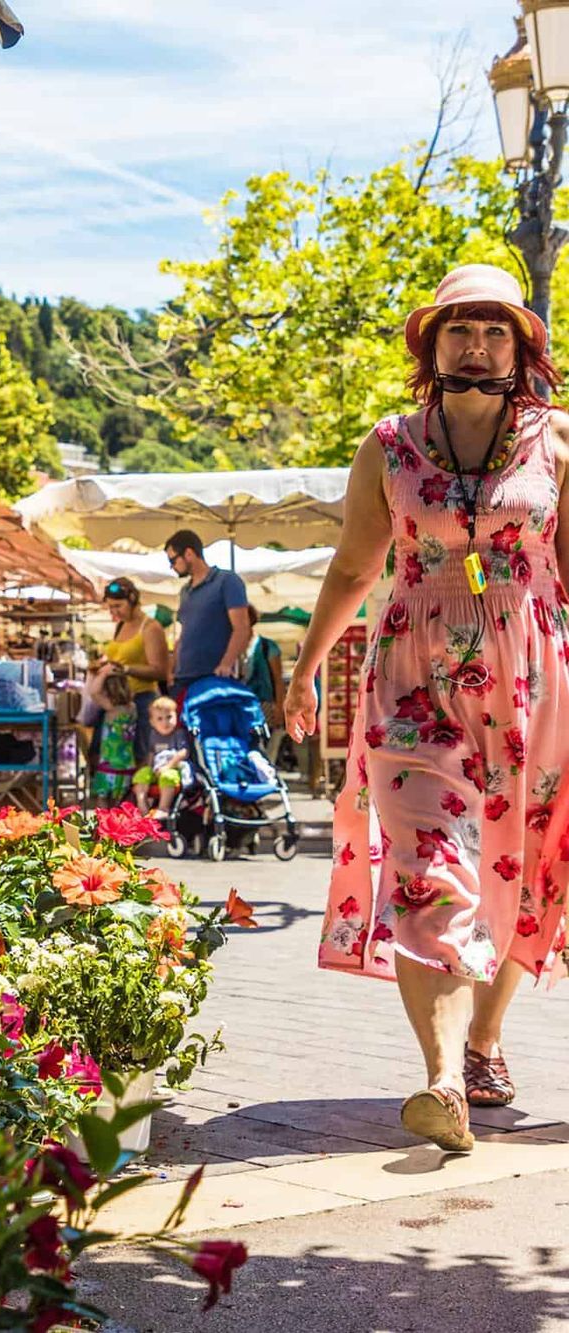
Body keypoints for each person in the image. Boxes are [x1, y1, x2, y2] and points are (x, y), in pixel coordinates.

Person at [284, 263, 569, 1154]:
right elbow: (351, 568)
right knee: (425, 861)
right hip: (412, 673)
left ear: (521, 346)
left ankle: (485, 1041)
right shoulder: (390, 445)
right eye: (458, 327)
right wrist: (304, 668)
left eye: (493, 328)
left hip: (531, 670)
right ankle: (443, 1075)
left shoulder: (556, 443)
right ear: (431, 344)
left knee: (522, 864)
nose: (475, 342)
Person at [164, 530, 250, 703]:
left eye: (173, 560)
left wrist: (226, 663)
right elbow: (184, 633)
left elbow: (242, 628)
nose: (171, 566)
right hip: (183, 679)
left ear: (189, 553)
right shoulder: (185, 591)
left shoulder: (226, 581)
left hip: (214, 677)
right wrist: (171, 669)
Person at [98, 577, 169, 761]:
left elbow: (161, 670)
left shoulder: (151, 628)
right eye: (111, 607)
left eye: (118, 606)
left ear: (132, 600)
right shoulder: (120, 626)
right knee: (112, 758)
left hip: (142, 700)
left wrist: (127, 669)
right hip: (117, 702)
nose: (115, 612)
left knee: (139, 757)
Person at [86, 663, 137, 808]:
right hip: (127, 762)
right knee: (121, 802)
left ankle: (102, 828)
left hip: (109, 762)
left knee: (103, 799)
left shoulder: (112, 708)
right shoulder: (133, 708)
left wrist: (102, 674)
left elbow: (93, 691)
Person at [132, 695, 189, 817]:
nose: (165, 722)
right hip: (156, 769)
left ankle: (164, 808)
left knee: (167, 777)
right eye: (160, 719)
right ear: (152, 722)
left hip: (173, 768)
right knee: (141, 775)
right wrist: (148, 767)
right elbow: (152, 753)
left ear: (176, 717)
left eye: (169, 717)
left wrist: (168, 766)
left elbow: (183, 752)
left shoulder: (178, 734)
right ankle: (142, 805)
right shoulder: (153, 734)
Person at [242, 605, 285, 731]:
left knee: (263, 744)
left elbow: (278, 680)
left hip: (264, 705)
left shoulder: (267, 646)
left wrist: (279, 708)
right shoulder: (231, 648)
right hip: (239, 704)